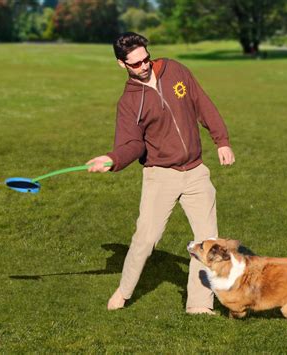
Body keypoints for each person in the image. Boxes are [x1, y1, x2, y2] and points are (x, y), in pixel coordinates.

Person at [87, 32, 235, 315]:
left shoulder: (175, 70)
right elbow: (131, 144)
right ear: (122, 65)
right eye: (135, 64)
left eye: (146, 59)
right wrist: (113, 158)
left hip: (195, 171)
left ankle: (199, 304)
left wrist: (222, 141)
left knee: (208, 242)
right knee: (145, 240)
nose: (143, 66)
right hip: (160, 175)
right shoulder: (130, 102)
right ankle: (125, 290)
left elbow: (202, 103)